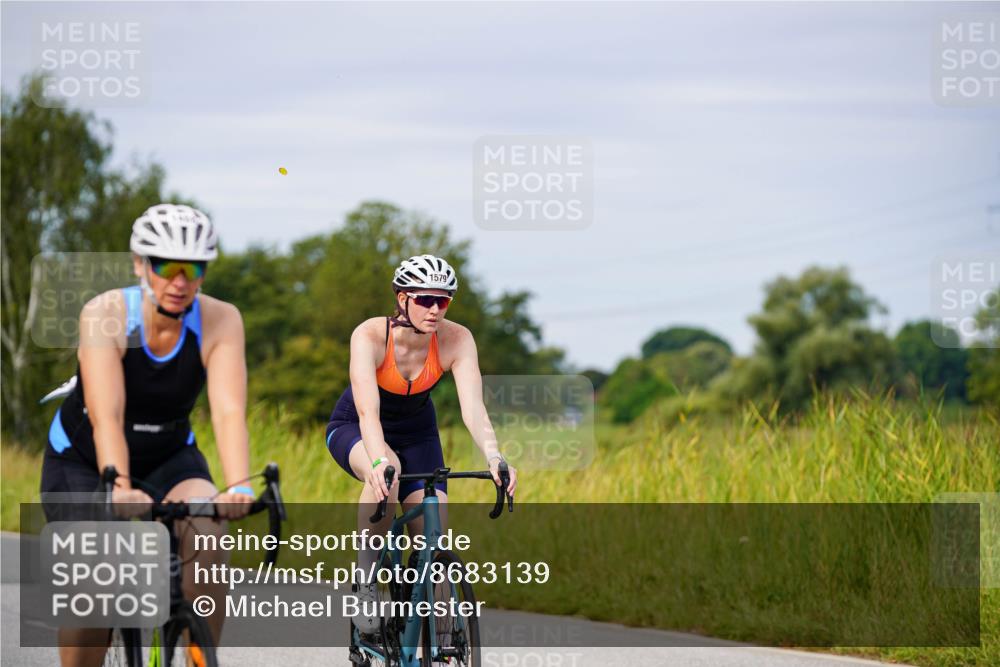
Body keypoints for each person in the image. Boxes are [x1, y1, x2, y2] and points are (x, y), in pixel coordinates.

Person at [39, 203, 253, 666]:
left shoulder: (221, 320)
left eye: (192, 268)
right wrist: (119, 487)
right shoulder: (106, 314)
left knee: (210, 534)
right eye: (166, 266)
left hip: (169, 452)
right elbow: (107, 416)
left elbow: (229, 411)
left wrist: (239, 485)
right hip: (83, 458)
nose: (180, 281)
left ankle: (200, 657)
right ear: (141, 265)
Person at [325, 254, 517, 632]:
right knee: (388, 478)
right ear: (402, 299)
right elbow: (367, 413)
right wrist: (379, 461)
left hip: (418, 433)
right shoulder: (369, 335)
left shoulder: (456, 339)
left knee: (433, 537)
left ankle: (443, 641)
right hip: (357, 426)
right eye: (425, 299)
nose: (434, 309)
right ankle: (365, 580)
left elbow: (473, 407)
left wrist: (494, 456)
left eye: (443, 301)